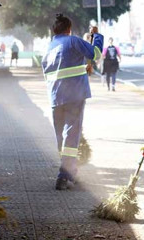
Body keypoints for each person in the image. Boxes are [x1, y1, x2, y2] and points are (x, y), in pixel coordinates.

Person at [41, 14, 103, 190]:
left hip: (55, 96)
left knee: (61, 135)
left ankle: (69, 169)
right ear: (69, 29)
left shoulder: (49, 47)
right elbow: (96, 53)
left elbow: (56, 71)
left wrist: (82, 68)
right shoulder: (73, 41)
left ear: (54, 30)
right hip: (74, 95)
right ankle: (65, 175)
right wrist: (96, 36)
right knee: (71, 134)